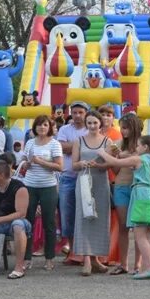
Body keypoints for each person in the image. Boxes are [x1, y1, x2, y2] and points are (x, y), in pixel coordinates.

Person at [98, 135, 150, 280]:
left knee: (140, 235)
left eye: (138, 146)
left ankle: (149, 267)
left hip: (142, 196)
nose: (136, 149)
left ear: (145, 147)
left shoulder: (138, 159)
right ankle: (147, 266)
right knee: (147, 235)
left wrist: (102, 152)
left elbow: (115, 162)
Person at [71, 110, 111, 276]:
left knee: (100, 219)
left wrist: (99, 165)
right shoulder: (79, 141)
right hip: (84, 182)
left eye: (95, 123)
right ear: (86, 124)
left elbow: (109, 164)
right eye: (89, 123)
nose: (93, 126)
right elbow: (73, 165)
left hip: (101, 182)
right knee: (84, 217)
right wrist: (82, 163)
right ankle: (86, 259)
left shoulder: (108, 142)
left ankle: (95, 259)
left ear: (100, 123)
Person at [21, 115, 63, 271]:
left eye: (45, 125)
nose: (42, 128)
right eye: (39, 125)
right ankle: (26, 258)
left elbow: (60, 167)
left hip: (48, 186)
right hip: (29, 185)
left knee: (49, 223)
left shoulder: (55, 144)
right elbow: (23, 162)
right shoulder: (30, 143)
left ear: (50, 127)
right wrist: (26, 163)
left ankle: (49, 257)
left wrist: (41, 162)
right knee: (27, 222)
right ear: (35, 127)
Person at [108, 113, 144, 275]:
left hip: (139, 188)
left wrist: (125, 156)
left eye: (126, 127)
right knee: (123, 226)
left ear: (134, 127)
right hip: (121, 186)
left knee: (138, 227)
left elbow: (147, 160)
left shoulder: (143, 145)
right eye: (122, 127)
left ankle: (138, 264)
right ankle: (123, 264)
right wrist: (114, 157)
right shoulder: (117, 145)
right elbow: (115, 170)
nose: (123, 131)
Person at [56, 101, 89, 260]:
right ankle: (72, 250)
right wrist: (82, 147)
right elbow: (60, 147)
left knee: (86, 213)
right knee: (67, 214)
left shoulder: (91, 128)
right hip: (68, 176)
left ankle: (85, 251)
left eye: (80, 112)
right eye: (74, 112)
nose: (77, 116)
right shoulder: (64, 129)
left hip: (87, 177)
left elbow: (94, 147)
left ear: (86, 113)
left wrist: (73, 147)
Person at [97, 104, 122, 267]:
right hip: (96, 178)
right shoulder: (94, 133)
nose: (106, 117)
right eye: (103, 114)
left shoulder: (116, 134)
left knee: (114, 219)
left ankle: (111, 255)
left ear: (113, 118)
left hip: (112, 178)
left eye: (109, 114)